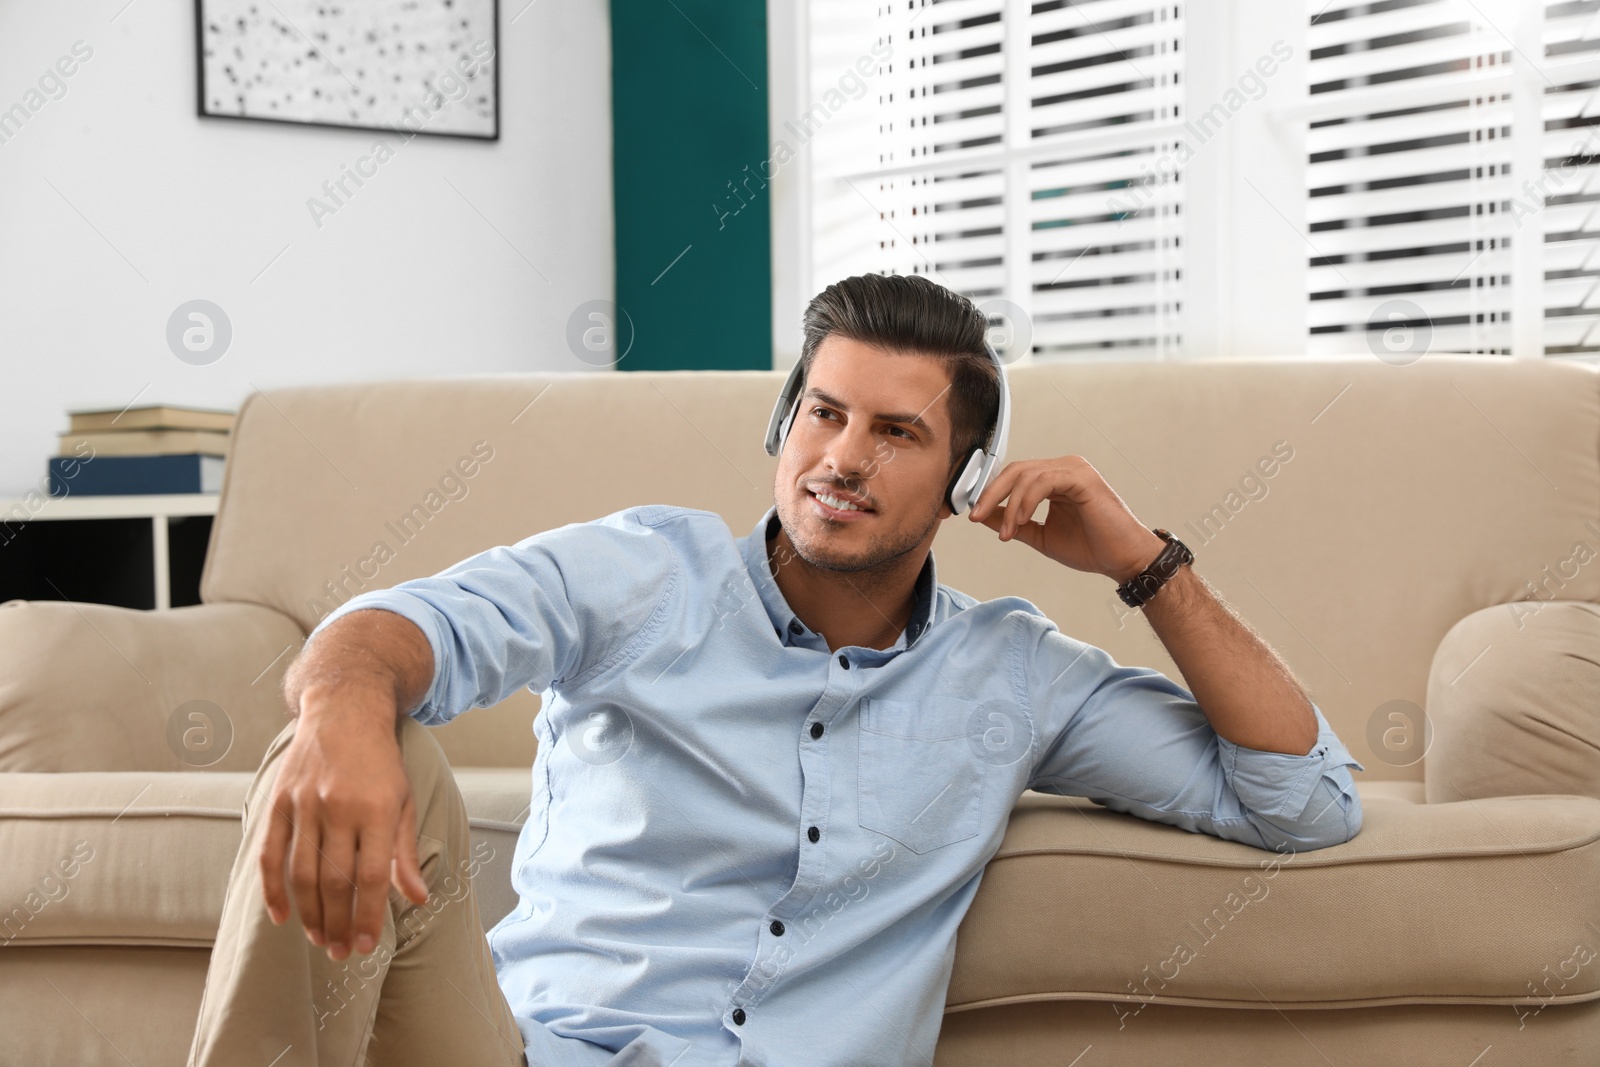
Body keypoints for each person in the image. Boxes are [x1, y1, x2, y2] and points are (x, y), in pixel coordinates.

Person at [186, 273, 1364, 1067]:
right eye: (821, 413)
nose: (840, 460)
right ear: (781, 422)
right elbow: (394, 628)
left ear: (966, 476)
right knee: (341, 735)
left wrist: (1142, 560)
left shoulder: (1012, 674)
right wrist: (341, 706)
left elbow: (1303, 797)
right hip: (531, 1051)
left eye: (895, 433)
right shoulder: (643, 572)